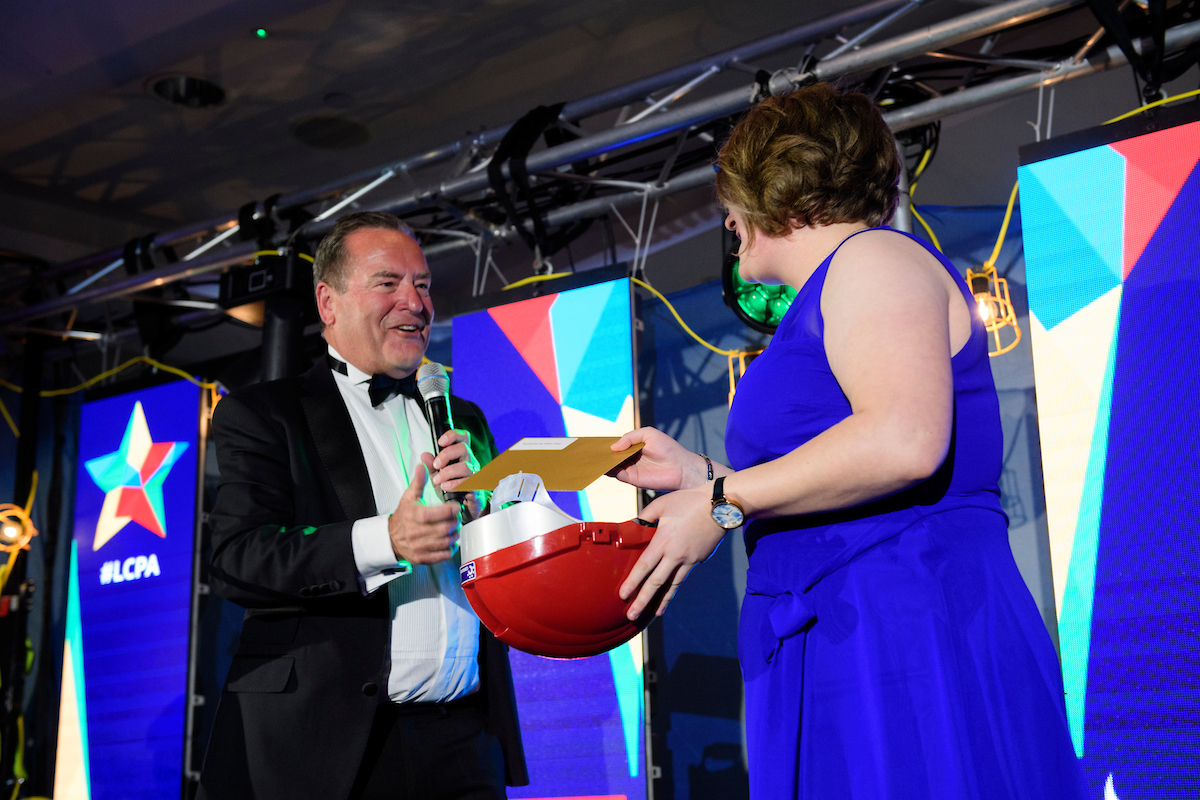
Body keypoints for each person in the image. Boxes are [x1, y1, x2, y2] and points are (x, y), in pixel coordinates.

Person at [610, 83, 1086, 799]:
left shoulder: (872, 262)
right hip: (849, 627)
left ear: (774, 187)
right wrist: (698, 474)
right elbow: (838, 472)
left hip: (899, 629)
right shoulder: (838, 286)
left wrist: (722, 499)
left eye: (730, 196)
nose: (727, 220)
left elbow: (903, 441)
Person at [199, 211, 527, 800]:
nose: (415, 302)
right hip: (333, 748)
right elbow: (237, 558)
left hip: (466, 739)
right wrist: (385, 541)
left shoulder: (463, 416)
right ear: (329, 303)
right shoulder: (264, 414)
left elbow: (494, 570)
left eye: (423, 285)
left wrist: (488, 514)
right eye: (388, 283)